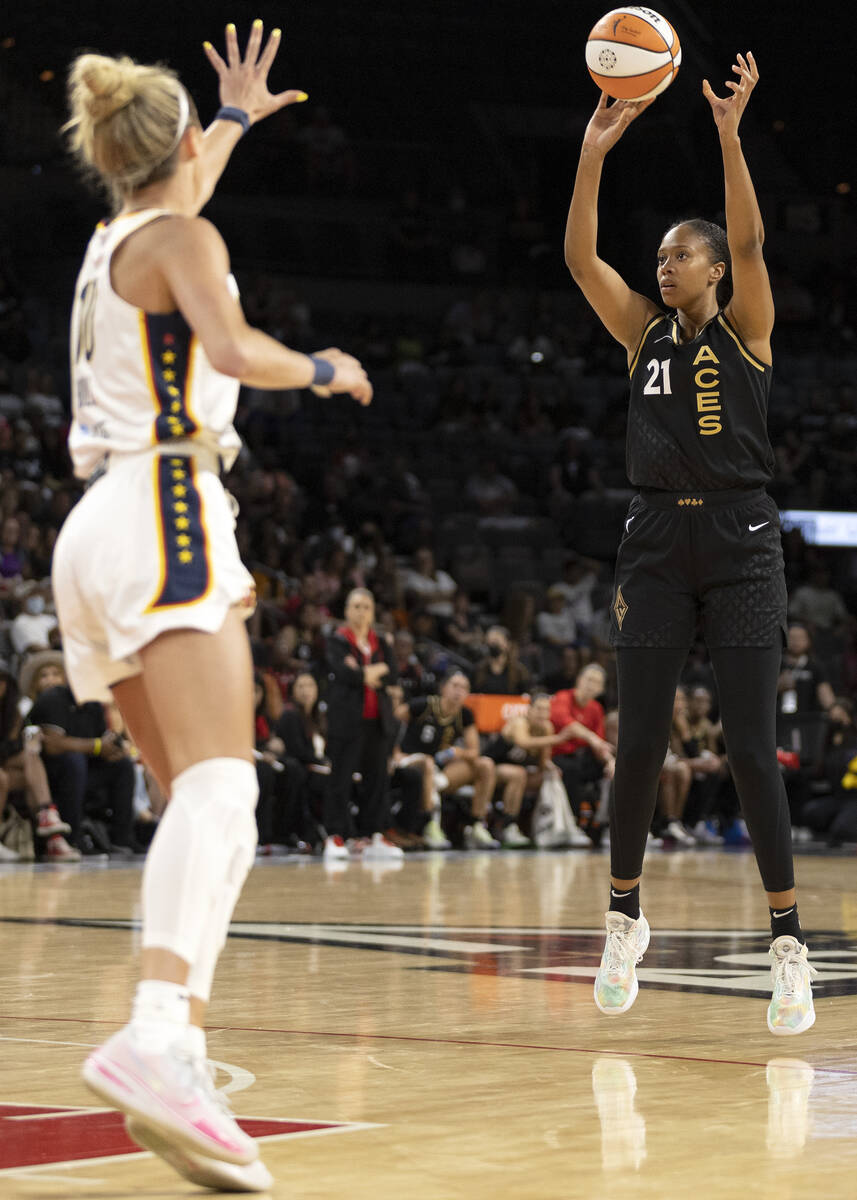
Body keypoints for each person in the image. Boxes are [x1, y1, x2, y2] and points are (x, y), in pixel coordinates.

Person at [55, 23, 372, 1192]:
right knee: (226, 785)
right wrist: (326, 366)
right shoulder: (179, 234)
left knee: (194, 796)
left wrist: (230, 120)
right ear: (177, 144)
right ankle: (151, 1037)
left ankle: (175, 1046)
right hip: (164, 508)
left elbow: (182, 196)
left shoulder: (115, 239)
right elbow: (231, 345)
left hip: (93, 529)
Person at [565, 53, 816, 1033]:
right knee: (636, 745)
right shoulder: (640, 334)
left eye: (678, 256)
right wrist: (590, 155)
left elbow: (750, 239)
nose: (661, 266)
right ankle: (623, 917)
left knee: (751, 752)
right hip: (652, 539)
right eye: (660, 256)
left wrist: (726, 135)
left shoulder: (745, 327)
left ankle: (785, 943)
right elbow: (582, 261)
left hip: (743, 536)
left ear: (711, 270)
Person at [323, 587, 402, 861]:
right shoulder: (337, 640)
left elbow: (392, 675)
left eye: (366, 607)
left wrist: (362, 673)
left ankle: (374, 835)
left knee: (377, 780)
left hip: (377, 721)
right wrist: (370, 672)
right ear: (346, 611)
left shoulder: (381, 642)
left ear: (372, 612)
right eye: (355, 606)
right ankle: (336, 836)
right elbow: (344, 673)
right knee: (341, 779)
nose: (361, 611)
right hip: (346, 721)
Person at [399, 670, 500, 849]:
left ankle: (476, 824)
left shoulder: (465, 715)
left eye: (464, 688)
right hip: (412, 761)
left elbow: (474, 751)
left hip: (440, 767)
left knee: (485, 764)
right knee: (427, 763)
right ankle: (430, 825)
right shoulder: (423, 705)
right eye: (455, 686)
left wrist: (458, 753)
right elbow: (391, 722)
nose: (459, 691)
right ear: (443, 688)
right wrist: (395, 752)